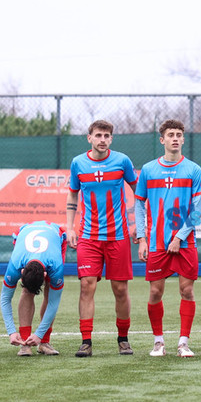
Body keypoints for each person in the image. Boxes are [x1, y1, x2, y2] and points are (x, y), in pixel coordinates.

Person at [66, 119, 138, 357]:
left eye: (107, 136)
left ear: (111, 139)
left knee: (120, 289)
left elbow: (139, 192)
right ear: (89, 138)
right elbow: (72, 196)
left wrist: (139, 224)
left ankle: (123, 339)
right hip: (89, 237)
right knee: (87, 286)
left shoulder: (122, 161)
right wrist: (70, 228)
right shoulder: (78, 163)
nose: (102, 140)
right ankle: (86, 341)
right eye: (98, 135)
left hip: (118, 236)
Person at [133, 120, 201, 357]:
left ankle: (183, 343)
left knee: (186, 291)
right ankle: (158, 342)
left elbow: (198, 209)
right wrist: (142, 238)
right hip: (157, 243)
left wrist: (180, 237)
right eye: (170, 134)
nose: (175, 138)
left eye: (179, 134)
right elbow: (139, 205)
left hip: (186, 243)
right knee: (155, 292)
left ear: (183, 139)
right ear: (162, 140)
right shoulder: (148, 170)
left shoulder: (193, 170)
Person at [0, 220, 67, 357]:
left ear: (45, 275)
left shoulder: (56, 266)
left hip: (56, 235)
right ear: (22, 272)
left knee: (50, 292)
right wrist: (11, 331)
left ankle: (44, 342)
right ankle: (25, 342)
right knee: (27, 291)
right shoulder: (15, 263)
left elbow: (54, 302)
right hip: (23, 233)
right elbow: (5, 298)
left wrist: (39, 334)